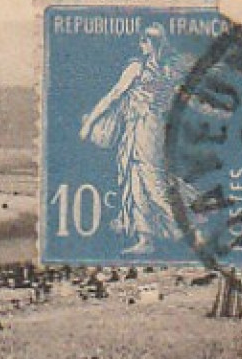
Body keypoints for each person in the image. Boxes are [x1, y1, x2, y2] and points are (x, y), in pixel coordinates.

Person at [78, 23, 194, 256]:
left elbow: (113, 96)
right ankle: (145, 238)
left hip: (147, 129)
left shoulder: (143, 69)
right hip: (138, 129)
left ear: (151, 44)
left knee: (152, 180)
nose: (141, 45)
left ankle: (188, 229)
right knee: (135, 179)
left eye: (144, 41)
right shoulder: (165, 71)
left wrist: (90, 122)